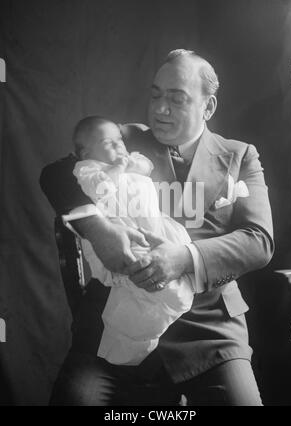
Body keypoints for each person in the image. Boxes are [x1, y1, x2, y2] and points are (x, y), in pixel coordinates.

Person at [40, 49, 274, 406]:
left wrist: (183, 257)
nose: (160, 108)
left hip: (208, 328)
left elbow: (259, 240)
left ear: (208, 107)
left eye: (177, 99)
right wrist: (99, 229)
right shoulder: (125, 141)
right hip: (116, 320)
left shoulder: (240, 156)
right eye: (155, 95)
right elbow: (56, 174)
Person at [68, 116, 196, 366]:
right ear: (86, 152)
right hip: (125, 230)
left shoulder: (130, 159)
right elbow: (98, 190)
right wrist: (116, 169)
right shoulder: (88, 168)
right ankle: (132, 340)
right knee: (143, 281)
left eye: (119, 141)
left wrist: (133, 165)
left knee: (180, 250)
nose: (119, 147)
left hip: (155, 223)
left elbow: (146, 166)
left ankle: (160, 310)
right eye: (108, 143)